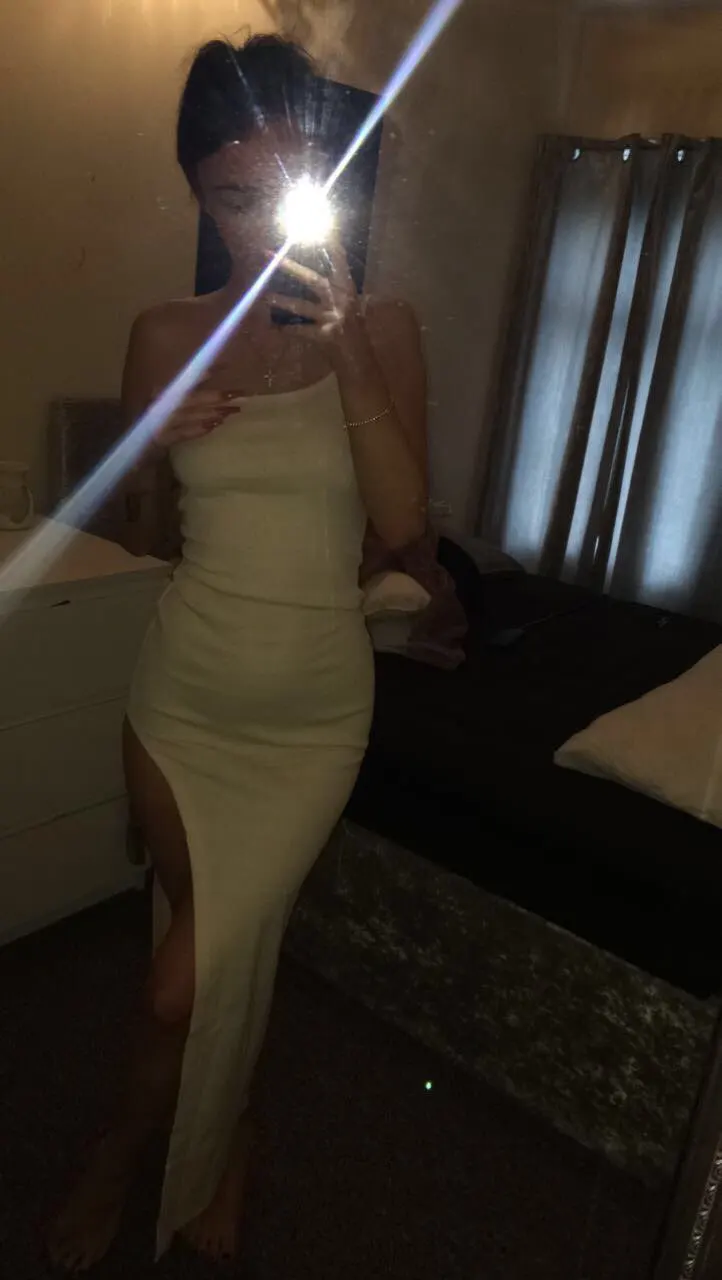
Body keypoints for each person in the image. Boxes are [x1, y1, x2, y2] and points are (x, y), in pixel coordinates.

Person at [45, 33, 427, 1271]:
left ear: (324, 176)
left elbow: (403, 525)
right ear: (197, 199)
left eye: (280, 188)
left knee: (189, 974)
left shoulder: (389, 329)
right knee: (202, 963)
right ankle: (196, 1136)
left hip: (311, 722)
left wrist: (348, 343)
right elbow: (141, 530)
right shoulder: (164, 333)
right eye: (228, 196)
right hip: (181, 705)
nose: (258, 224)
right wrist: (153, 446)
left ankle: (138, 1151)